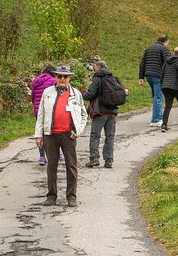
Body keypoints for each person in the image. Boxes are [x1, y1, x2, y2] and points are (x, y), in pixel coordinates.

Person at [34, 65, 88, 207]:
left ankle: (71, 196)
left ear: (69, 78)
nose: (62, 79)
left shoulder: (76, 94)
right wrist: (38, 135)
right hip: (50, 135)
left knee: (71, 165)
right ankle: (51, 196)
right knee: (51, 166)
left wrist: (78, 131)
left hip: (68, 135)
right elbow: (41, 115)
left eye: (65, 76)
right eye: (59, 76)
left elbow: (84, 115)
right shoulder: (47, 92)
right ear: (55, 77)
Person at [83, 60, 118, 169]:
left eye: (94, 68)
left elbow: (90, 95)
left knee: (95, 135)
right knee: (110, 136)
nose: (94, 70)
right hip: (112, 111)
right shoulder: (113, 78)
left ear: (98, 67)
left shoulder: (97, 78)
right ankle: (109, 160)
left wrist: (81, 94)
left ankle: (94, 158)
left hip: (100, 111)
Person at [138, 35, 170, 127]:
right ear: (165, 41)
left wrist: (141, 77)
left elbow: (142, 63)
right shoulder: (164, 49)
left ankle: (159, 117)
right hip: (158, 76)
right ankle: (156, 120)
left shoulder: (149, 49)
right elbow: (168, 62)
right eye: (167, 43)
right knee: (158, 97)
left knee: (156, 97)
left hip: (149, 76)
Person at [160, 46, 178, 132]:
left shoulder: (166, 62)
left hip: (166, 87)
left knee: (167, 106)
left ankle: (164, 125)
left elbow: (162, 74)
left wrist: (162, 85)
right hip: (177, 88)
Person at [31, 65, 56, 166]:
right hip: (51, 110)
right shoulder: (53, 81)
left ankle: (42, 157)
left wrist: (36, 106)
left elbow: (33, 97)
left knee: (40, 133)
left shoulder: (35, 81)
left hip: (38, 111)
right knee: (52, 132)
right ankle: (55, 155)